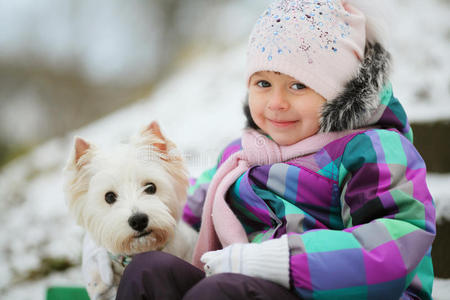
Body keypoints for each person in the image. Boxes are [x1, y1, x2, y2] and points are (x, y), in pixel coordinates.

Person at [85, 0, 436, 299]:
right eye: (263, 83)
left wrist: (277, 260)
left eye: (298, 85)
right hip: (243, 284)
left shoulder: (372, 151)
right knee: (150, 273)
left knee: (218, 292)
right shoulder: (242, 156)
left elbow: (395, 245)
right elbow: (182, 209)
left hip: (339, 291)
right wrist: (109, 239)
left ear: (338, 92)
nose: (276, 103)